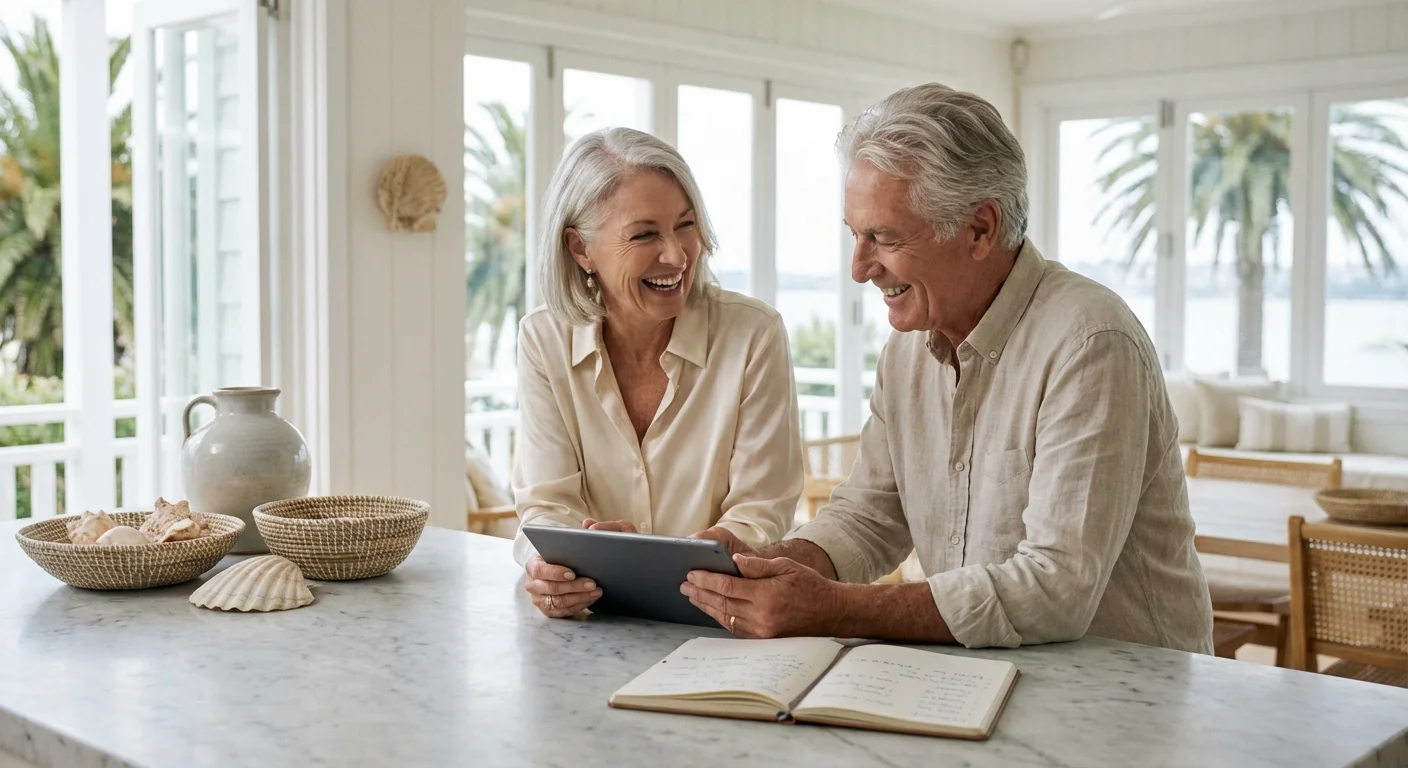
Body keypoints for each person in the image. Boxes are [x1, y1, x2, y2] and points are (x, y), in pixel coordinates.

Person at [681, 84, 1214, 653]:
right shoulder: (907, 351)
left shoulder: (1090, 343)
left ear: (980, 229)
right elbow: (870, 517)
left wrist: (833, 608)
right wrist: (766, 563)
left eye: (883, 238)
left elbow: (1055, 587)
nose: (860, 269)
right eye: (855, 236)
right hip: (985, 685)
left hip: (1127, 702)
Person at [514, 127, 803, 619]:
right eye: (645, 233)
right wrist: (550, 568)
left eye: (686, 225)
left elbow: (763, 507)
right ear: (580, 249)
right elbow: (545, 507)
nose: (676, 255)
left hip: (721, 622)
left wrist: (733, 542)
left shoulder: (754, 334)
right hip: (590, 631)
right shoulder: (544, 340)